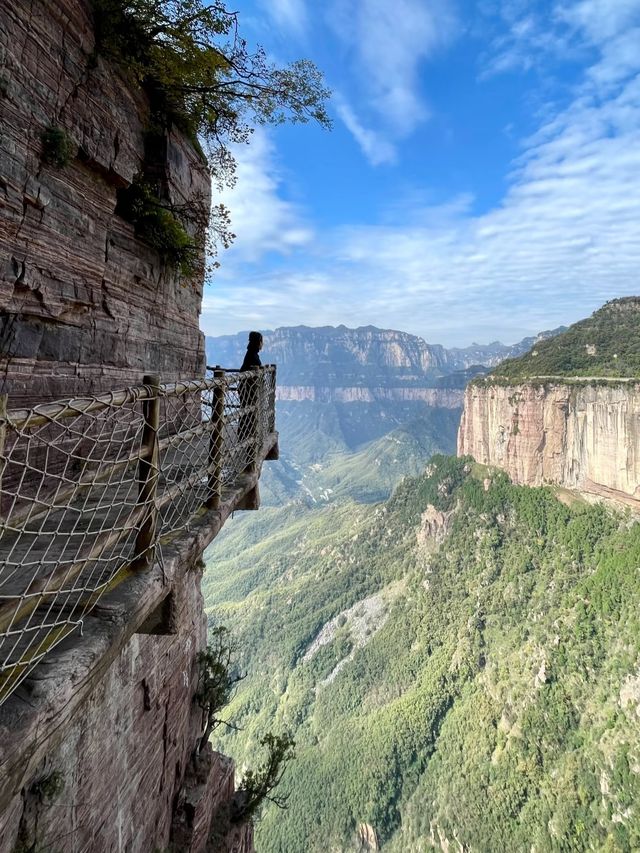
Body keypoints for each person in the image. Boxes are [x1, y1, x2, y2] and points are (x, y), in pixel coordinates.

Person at [238, 332, 264, 468]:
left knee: (246, 411)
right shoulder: (253, 356)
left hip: (246, 389)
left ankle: (244, 435)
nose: (262, 344)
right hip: (248, 390)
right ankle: (246, 437)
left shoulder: (251, 354)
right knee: (247, 412)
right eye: (261, 341)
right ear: (258, 342)